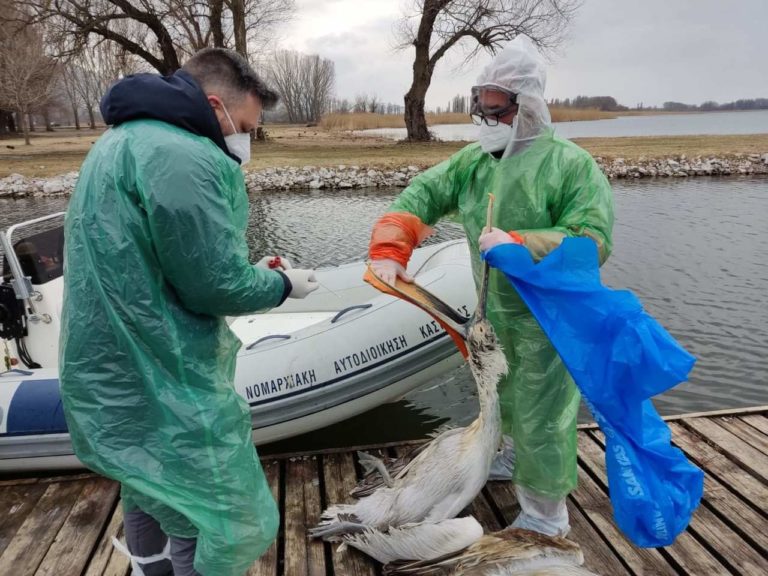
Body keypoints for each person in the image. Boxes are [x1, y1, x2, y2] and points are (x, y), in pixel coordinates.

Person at [60, 48, 318, 576]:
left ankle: (148, 570)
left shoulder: (118, 141)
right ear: (217, 105)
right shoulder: (184, 154)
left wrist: (251, 267)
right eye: (245, 125)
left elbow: (161, 258)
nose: (243, 140)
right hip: (165, 366)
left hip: (112, 361)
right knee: (211, 511)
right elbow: (213, 286)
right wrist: (282, 284)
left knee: (148, 480)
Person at [368, 36, 614, 537]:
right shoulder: (474, 163)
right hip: (493, 316)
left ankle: (547, 516)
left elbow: (592, 240)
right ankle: (506, 456)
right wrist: (391, 250)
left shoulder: (570, 165)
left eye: (496, 108)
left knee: (543, 410)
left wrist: (521, 243)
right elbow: (422, 194)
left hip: (546, 321)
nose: (483, 118)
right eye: (478, 105)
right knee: (496, 393)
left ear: (527, 106)